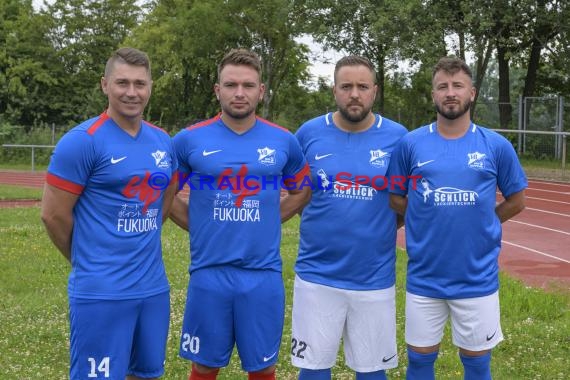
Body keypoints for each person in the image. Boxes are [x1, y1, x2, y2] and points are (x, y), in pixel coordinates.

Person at [169, 48, 311, 380]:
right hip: (209, 273)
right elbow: (165, 194)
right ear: (217, 90)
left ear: (261, 91)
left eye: (248, 85)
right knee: (204, 366)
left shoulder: (283, 141)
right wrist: (199, 225)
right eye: (231, 85)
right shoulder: (188, 140)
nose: (239, 92)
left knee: (263, 368)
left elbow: (302, 189)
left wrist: (269, 220)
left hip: (262, 275)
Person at [41, 47, 178, 380]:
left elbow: (166, 196)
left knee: (146, 374)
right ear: (105, 85)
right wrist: (87, 259)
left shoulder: (163, 142)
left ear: (150, 87)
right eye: (122, 83)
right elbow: (53, 215)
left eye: (140, 84)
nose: (131, 92)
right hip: (101, 291)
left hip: (152, 289)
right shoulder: (82, 141)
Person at [387, 56, 527, 380]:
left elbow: (517, 200)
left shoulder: (496, 145)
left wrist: (485, 219)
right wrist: (423, 215)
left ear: (472, 93)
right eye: (443, 86)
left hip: (476, 278)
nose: (450, 93)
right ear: (433, 95)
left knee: (477, 364)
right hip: (425, 277)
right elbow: (395, 196)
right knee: (420, 362)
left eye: (457, 86)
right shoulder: (410, 144)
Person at [290, 55, 407, 380]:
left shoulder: (399, 138)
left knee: (372, 372)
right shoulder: (308, 133)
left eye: (362, 86)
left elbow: (405, 201)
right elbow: (297, 195)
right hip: (316, 276)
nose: (354, 94)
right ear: (334, 90)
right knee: (313, 369)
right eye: (347, 86)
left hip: (374, 278)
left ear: (375, 91)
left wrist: (380, 226)